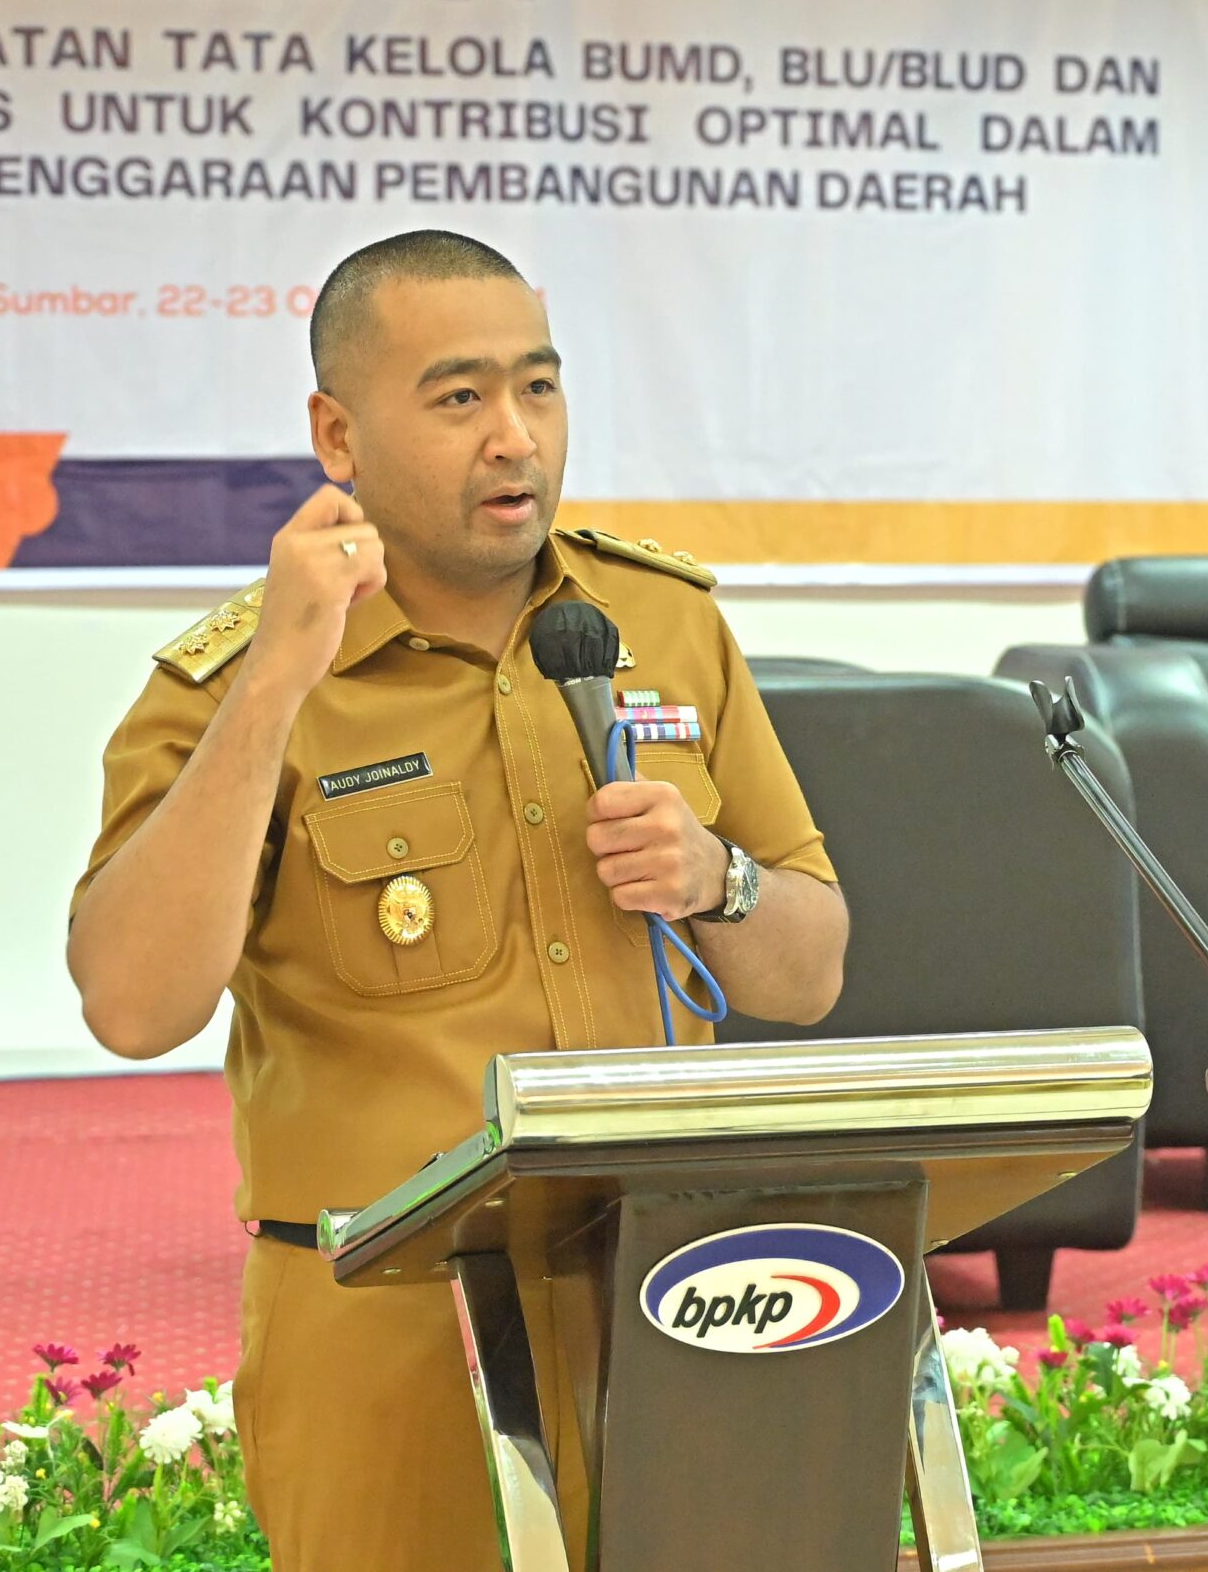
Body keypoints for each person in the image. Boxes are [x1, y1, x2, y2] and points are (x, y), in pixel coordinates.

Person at [65, 229, 849, 1571]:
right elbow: (133, 1007)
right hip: (389, 1327)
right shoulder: (238, 680)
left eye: (539, 387)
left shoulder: (663, 625)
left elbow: (812, 971)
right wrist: (277, 685)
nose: (514, 438)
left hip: (672, 1293)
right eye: (459, 397)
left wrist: (716, 881)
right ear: (338, 435)